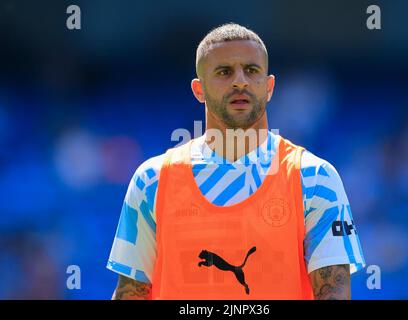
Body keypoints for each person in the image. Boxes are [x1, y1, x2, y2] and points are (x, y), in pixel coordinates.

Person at [107, 23, 365, 300]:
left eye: (251, 71)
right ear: (199, 89)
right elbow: (131, 292)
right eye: (224, 72)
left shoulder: (314, 178)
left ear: (269, 87)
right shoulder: (152, 180)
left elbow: (334, 292)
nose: (240, 81)